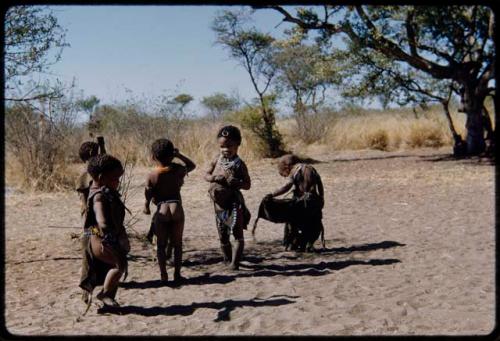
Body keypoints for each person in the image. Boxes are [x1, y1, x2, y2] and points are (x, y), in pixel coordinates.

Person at [79, 154, 130, 307]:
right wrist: (112, 238)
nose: (118, 182)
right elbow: (102, 221)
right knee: (119, 266)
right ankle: (105, 294)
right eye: (115, 178)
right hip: (101, 238)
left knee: (111, 268)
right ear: (101, 177)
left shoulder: (105, 190)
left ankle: (108, 298)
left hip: (100, 235)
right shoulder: (99, 196)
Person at [143, 139, 196, 284]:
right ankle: (177, 275)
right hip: (176, 206)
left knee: (161, 245)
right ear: (172, 154)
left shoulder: (152, 175)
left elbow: (148, 193)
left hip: (162, 208)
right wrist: (179, 155)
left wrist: (146, 206)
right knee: (177, 244)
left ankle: (163, 275)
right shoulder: (178, 170)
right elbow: (192, 165)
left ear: (153, 157)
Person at [204, 125, 251, 270]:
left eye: (229, 146)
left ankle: (234, 264)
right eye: (222, 146)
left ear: (238, 144)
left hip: (233, 204)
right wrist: (213, 178)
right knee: (223, 235)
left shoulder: (239, 164)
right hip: (218, 205)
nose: (225, 149)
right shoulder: (216, 159)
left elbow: (247, 184)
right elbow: (205, 175)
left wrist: (237, 182)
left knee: (237, 234)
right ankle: (227, 259)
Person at [266, 154, 325, 252]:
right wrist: (321, 198)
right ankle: (308, 244)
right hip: (314, 202)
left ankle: (292, 244)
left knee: (292, 223)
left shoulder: (295, 170)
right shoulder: (311, 168)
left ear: (287, 166)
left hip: (302, 203)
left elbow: (287, 186)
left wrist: (272, 194)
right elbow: (320, 184)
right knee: (314, 224)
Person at [75, 141, 99, 304]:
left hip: (94, 221)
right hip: (94, 223)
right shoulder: (88, 174)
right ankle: (86, 287)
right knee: (89, 251)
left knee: (92, 252)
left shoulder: (92, 172)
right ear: (91, 153)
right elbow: (85, 204)